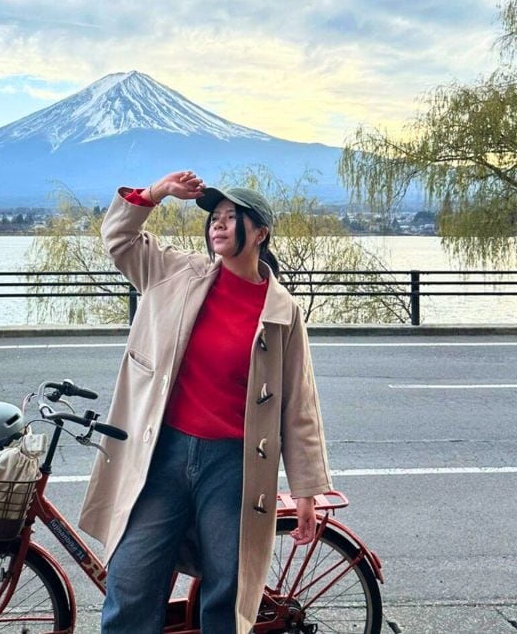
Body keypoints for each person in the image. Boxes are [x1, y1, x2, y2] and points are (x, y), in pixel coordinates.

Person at [78, 170, 333, 633]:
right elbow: (118, 238)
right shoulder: (177, 273)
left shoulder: (281, 311)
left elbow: (298, 404)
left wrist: (306, 492)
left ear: (260, 232)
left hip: (233, 464)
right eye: (214, 216)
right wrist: (156, 193)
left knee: (226, 589)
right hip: (162, 453)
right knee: (131, 578)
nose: (218, 223)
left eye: (231, 217)